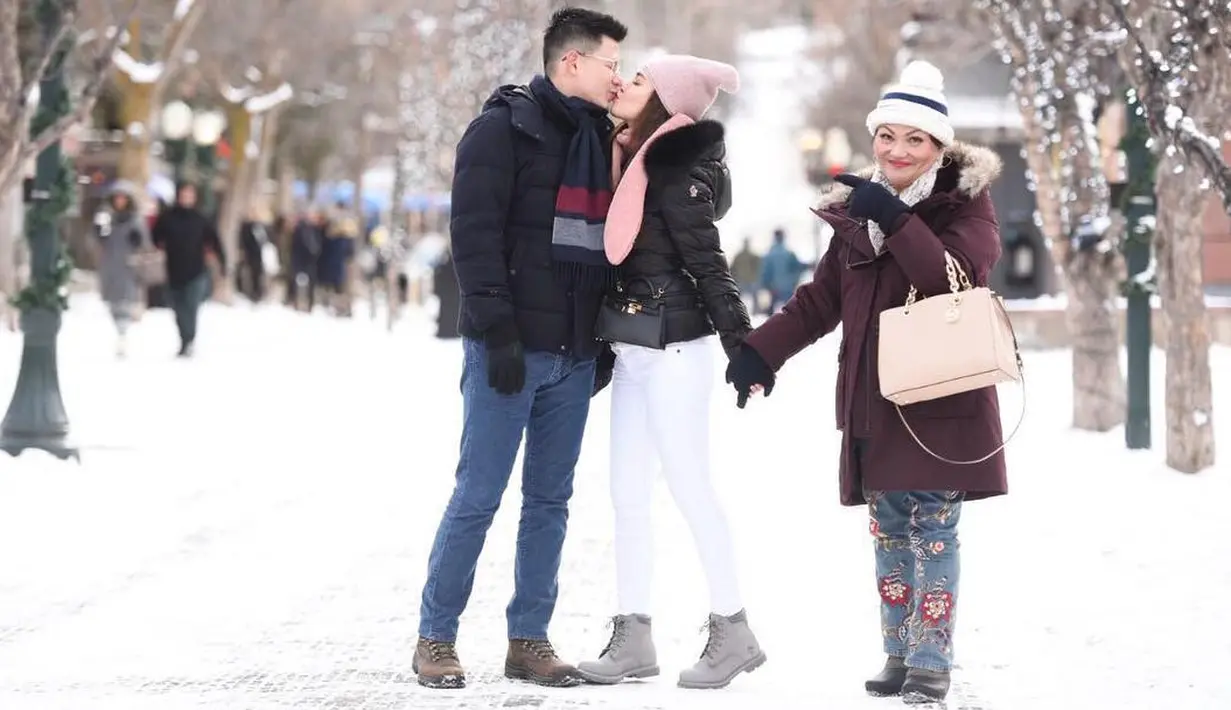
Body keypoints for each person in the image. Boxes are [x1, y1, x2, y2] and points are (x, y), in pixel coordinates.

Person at [725, 60, 1009, 704]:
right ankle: (899, 652)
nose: (898, 150)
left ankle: (932, 661)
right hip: (873, 399)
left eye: (915, 139)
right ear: (874, 138)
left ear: (938, 146)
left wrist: (898, 219)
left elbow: (953, 276)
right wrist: (760, 353)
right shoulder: (857, 214)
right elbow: (821, 302)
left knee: (933, 527)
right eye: (888, 136)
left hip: (943, 397)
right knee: (887, 528)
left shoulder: (967, 205)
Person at [412, 7, 627, 691]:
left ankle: (528, 639)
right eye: (609, 65)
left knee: (549, 502)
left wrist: (603, 340)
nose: (617, 78)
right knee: (478, 494)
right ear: (571, 63)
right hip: (509, 350)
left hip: (572, 352)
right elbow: (472, 238)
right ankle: (435, 638)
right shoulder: (502, 129)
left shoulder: (605, 139)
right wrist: (497, 330)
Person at [573, 55, 762, 690]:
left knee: (689, 486)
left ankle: (733, 627)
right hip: (632, 349)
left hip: (676, 350)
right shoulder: (625, 154)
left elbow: (710, 265)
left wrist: (745, 347)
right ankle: (634, 634)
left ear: (668, 99)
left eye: (641, 79)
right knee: (626, 493)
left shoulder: (676, 168)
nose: (625, 82)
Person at [152, 182, 223, 357]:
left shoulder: (200, 219)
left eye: (190, 194)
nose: (186, 197)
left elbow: (214, 240)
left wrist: (221, 261)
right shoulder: (168, 218)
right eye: (184, 194)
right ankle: (184, 338)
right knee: (178, 309)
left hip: (196, 271)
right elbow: (155, 237)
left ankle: (189, 340)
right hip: (174, 270)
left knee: (191, 307)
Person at [95, 181, 150, 357]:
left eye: (123, 198)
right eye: (117, 198)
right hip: (110, 264)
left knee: (125, 300)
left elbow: (143, 241)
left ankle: (122, 334)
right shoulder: (106, 217)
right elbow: (99, 238)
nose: (120, 201)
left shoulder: (135, 220)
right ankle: (119, 329)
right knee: (112, 301)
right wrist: (100, 230)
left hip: (128, 264)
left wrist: (137, 241)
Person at [757, 227, 806, 314]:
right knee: (791, 313)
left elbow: (765, 272)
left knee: (771, 314)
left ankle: (772, 326)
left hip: (774, 287)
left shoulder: (769, 254)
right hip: (788, 287)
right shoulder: (789, 253)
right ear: (783, 237)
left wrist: (765, 285)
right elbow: (797, 268)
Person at [728, 238, 761, 314]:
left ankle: (738, 311)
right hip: (750, 280)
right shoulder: (754, 255)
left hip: (741, 280)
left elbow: (732, 268)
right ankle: (755, 311)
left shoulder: (739, 255)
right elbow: (758, 268)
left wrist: (734, 279)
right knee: (754, 297)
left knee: (738, 298)